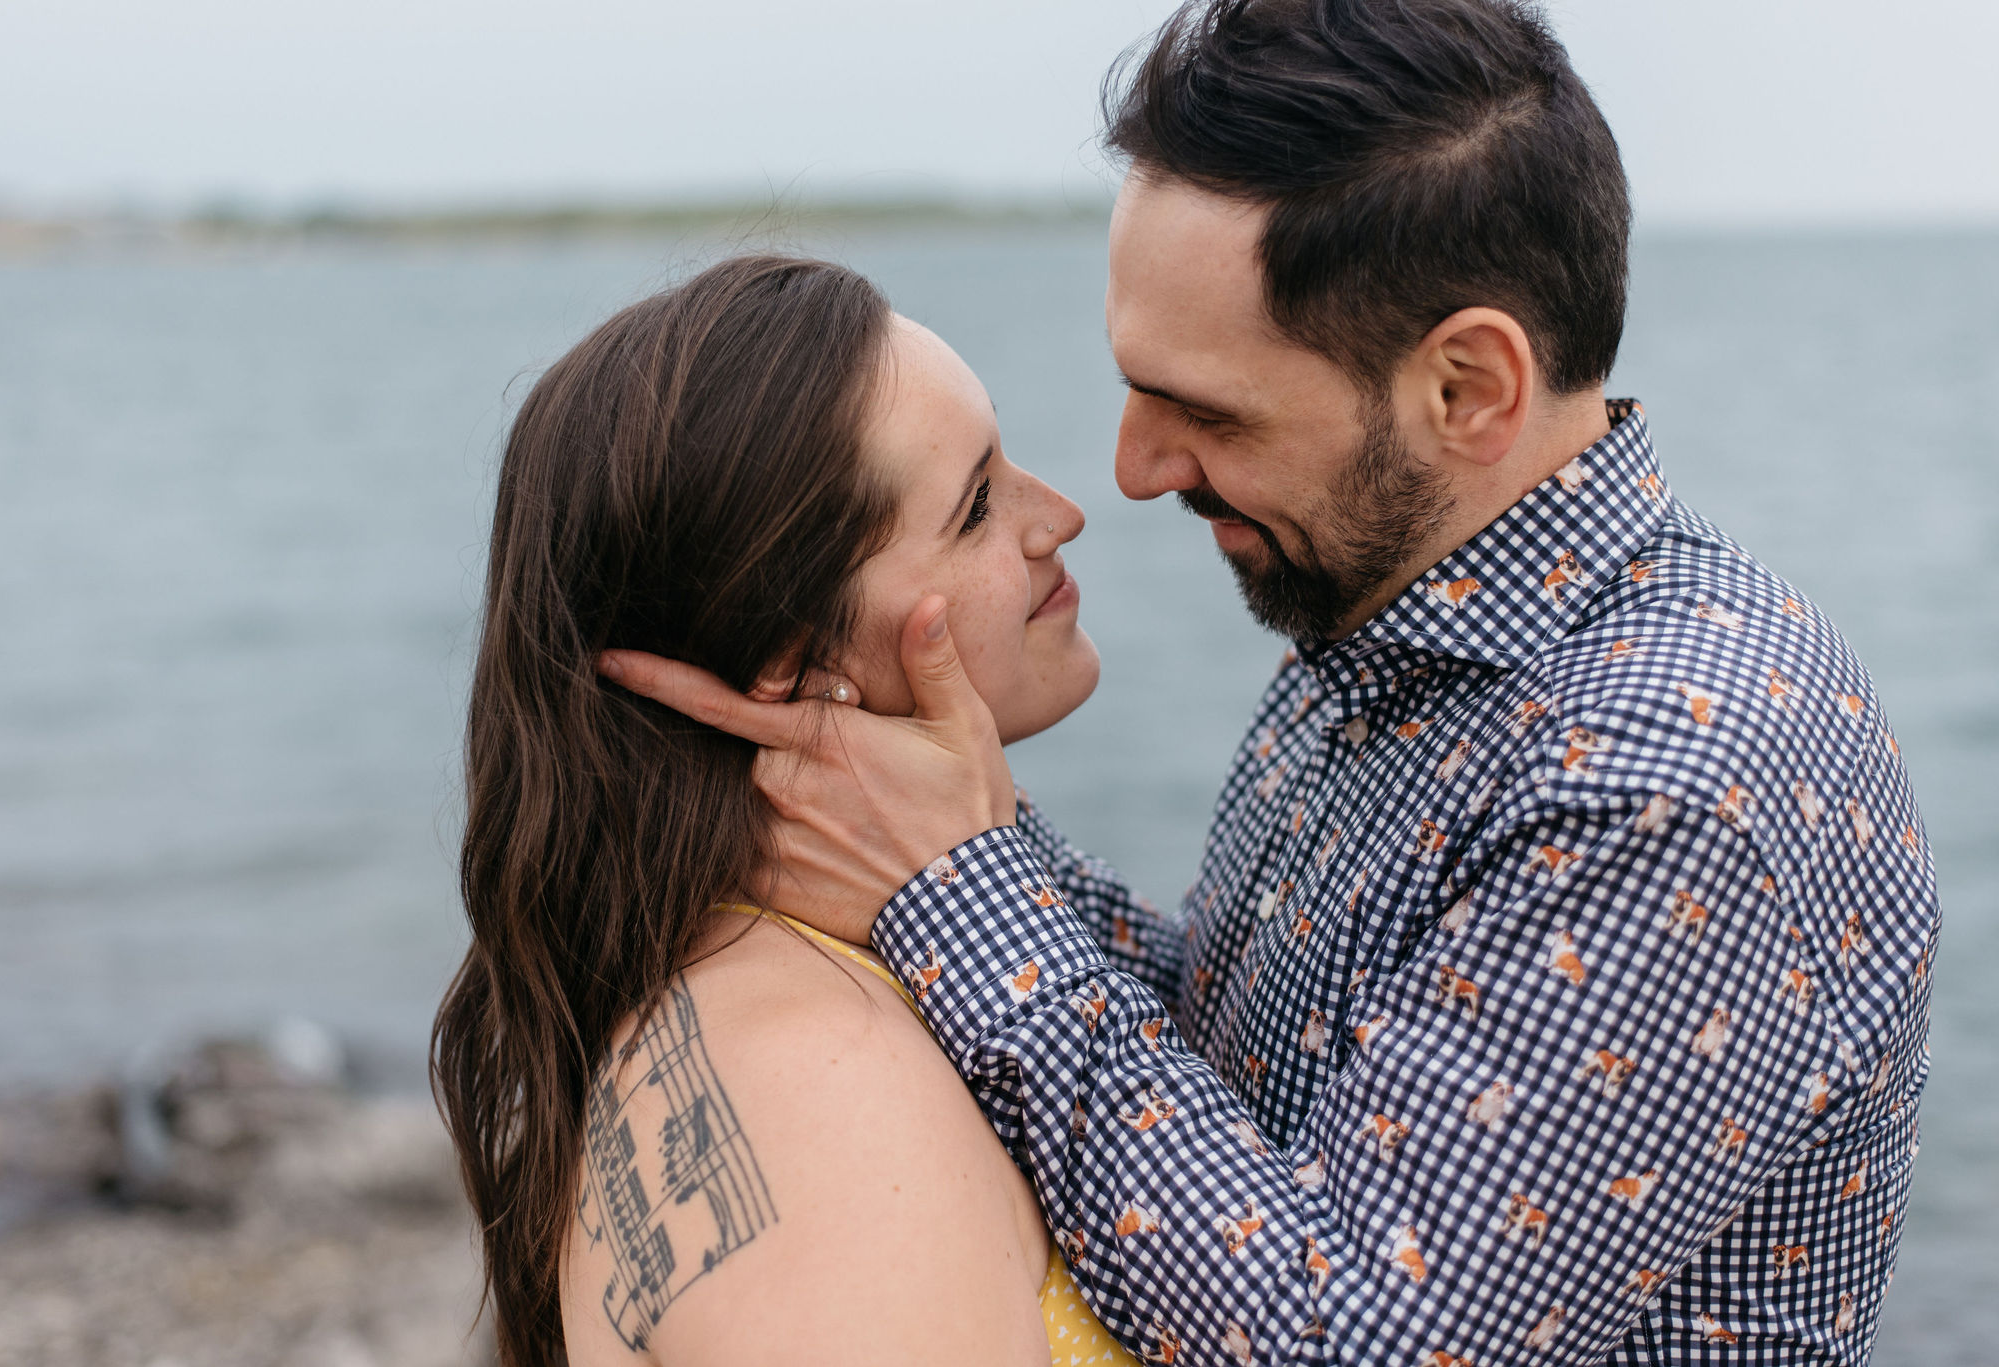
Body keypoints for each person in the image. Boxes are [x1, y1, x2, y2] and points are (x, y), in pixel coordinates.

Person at [603, 1, 1940, 1363]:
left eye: (1211, 409)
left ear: (1469, 387)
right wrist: (953, 841)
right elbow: (1268, 1059)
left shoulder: (1664, 783)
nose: (1133, 468)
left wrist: (958, 892)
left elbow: (1340, 1333)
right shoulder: (1400, 624)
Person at [431, 254, 1142, 1366]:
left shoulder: (773, 975)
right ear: (795, 665)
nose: (1060, 513)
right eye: (974, 506)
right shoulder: (821, 1089)